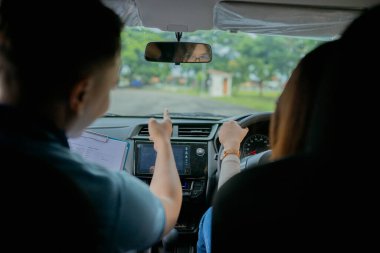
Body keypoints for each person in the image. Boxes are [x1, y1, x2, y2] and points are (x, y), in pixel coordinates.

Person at [0, 0, 182, 252]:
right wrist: (163, 144)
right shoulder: (99, 197)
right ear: (80, 95)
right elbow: (168, 206)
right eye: (111, 85)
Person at [197, 39, 339, 253]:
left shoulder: (254, 200)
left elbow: (230, 203)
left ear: (290, 115)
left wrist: (232, 148)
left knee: (209, 219)